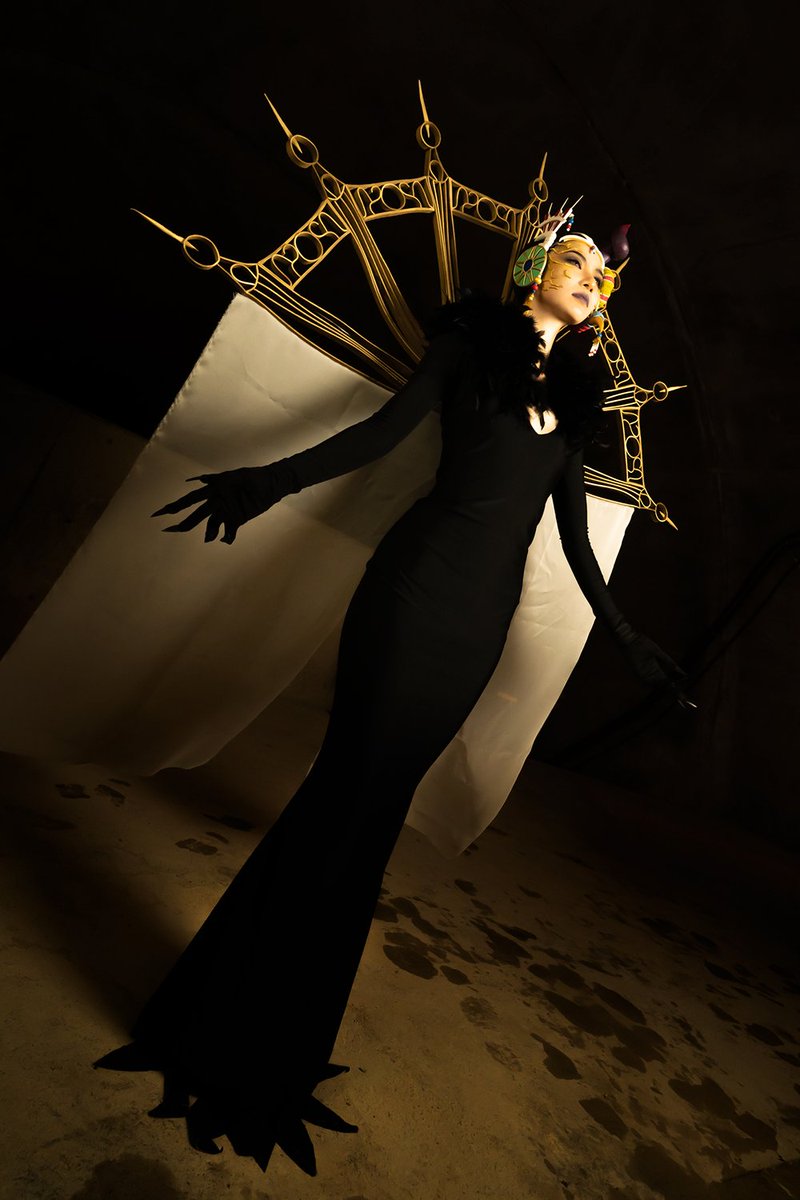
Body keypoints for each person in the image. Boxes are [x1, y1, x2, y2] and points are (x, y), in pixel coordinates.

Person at [94, 223, 686, 1176]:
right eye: (580, 260)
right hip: (412, 596)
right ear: (533, 266)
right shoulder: (464, 350)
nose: (595, 282)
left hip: (478, 629)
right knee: (340, 798)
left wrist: (625, 637)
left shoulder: (579, 400)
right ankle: (209, 1034)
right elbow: (376, 437)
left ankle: (278, 1053)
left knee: (371, 826)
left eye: (606, 277)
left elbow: (573, 539)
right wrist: (265, 482)